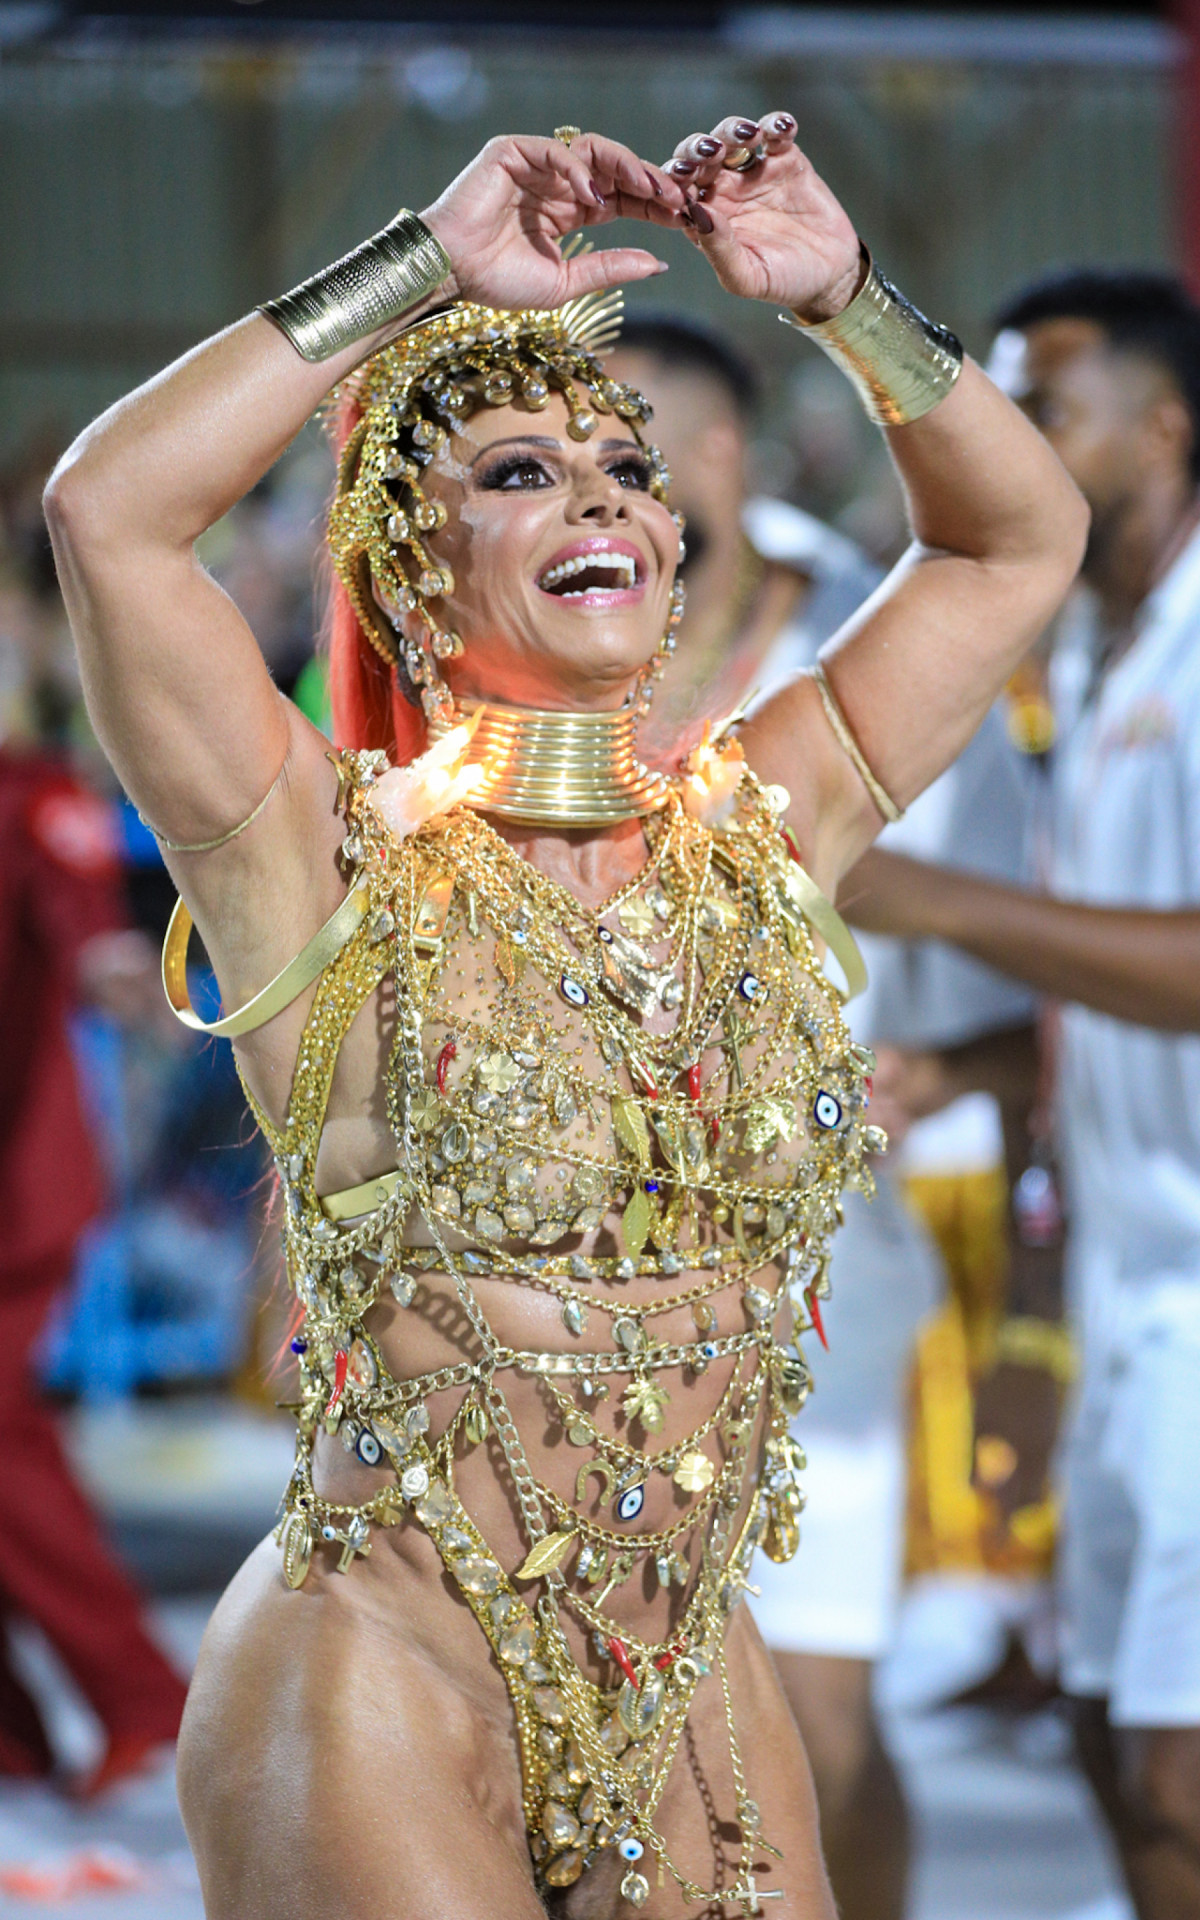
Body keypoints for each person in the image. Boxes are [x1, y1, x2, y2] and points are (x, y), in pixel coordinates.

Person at [44, 120, 1085, 1919]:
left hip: (688, 1673)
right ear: (409, 564)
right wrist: (423, 262)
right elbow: (109, 513)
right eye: (523, 471)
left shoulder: (767, 831)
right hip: (387, 1668)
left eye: (627, 467)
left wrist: (847, 302)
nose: (603, 494)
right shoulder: (317, 858)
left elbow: (1015, 541)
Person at [609, 318, 1040, 1920]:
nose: (590, 489)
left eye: (625, 440)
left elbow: (1015, 1008)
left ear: (719, 455)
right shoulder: (505, 676)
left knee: (816, 1731)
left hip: (813, 1310)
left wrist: (934, 1079)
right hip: (557, 1313)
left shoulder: (858, 671)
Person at [841, 268, 1200, 1920]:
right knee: (1107, 1730)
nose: (1014, 437)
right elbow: (1108, 998)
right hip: (1125, 1282)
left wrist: (941, 908)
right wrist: (959, 1068)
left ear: (1166, 425)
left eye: (1044, 406)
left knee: (1180, 1760)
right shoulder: (1105, 655)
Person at [0, 740, 188, 1793]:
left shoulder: (30, 792)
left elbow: (81, 918)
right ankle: (18, 1734)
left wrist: (118, 971)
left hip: (16, 1189)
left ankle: (135, 1696)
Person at [605, 318, 882, 759]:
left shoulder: (852, 634)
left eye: (618, 467)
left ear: (716, 450)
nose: (582, 499)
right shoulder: (547, 633)